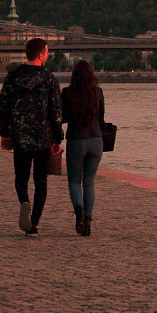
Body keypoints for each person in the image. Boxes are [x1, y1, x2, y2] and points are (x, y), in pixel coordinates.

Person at [0, 38, 62, 237]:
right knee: (41, 181)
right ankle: (33, 224)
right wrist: (58, 138)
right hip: (43, 137)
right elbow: (56, 112)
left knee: (21, 177)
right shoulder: (49, 78)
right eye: (47, 53)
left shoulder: (13, 76)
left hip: (19, 136)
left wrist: (4, 133)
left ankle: (24, 201)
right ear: (41, 55)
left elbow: (3, 106)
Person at [61, 60, 106, 236]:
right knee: (89, 181)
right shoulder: (98, 92)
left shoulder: (67, 93)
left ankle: (78, 213)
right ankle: (87, 221)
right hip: (96, 140)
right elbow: (101, 117)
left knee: (74, 180)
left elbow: (62, 117)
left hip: (76, 139)